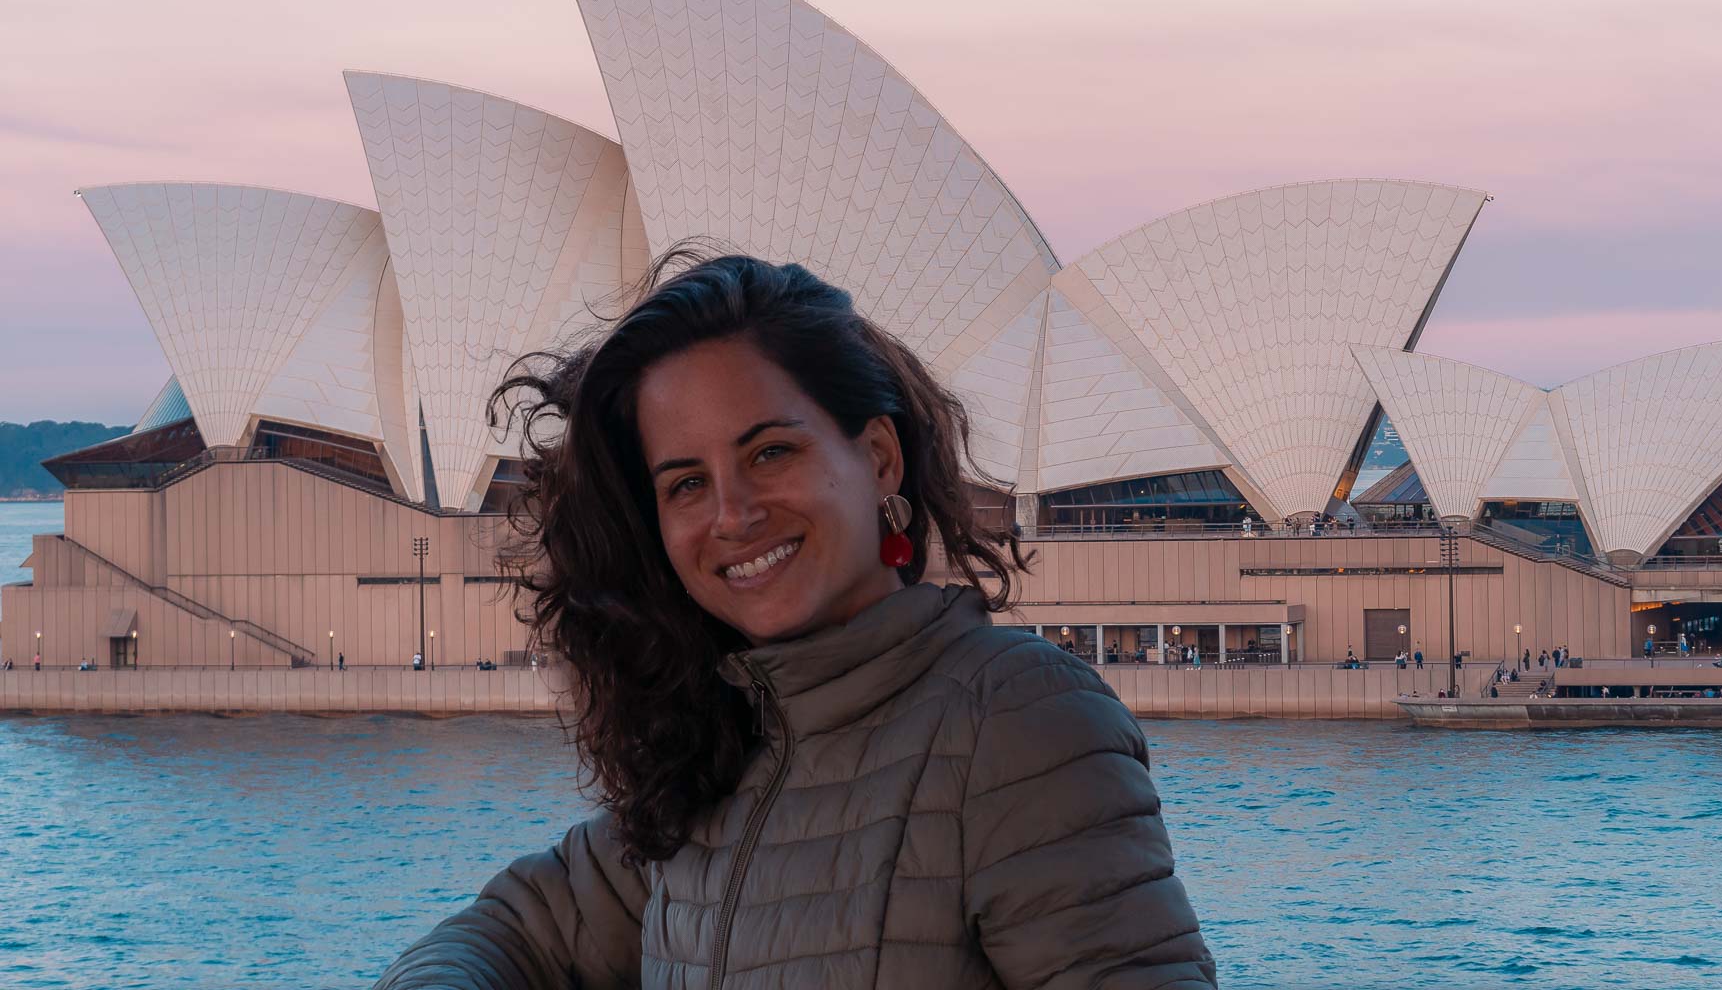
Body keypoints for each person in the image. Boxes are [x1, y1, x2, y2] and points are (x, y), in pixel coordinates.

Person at [374, 250, 1215, 988]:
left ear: (878, 458)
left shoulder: (1016, 721)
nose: (732, 514)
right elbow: (513, 930)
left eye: (769, 452)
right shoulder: (716, 754)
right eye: (686, 484)